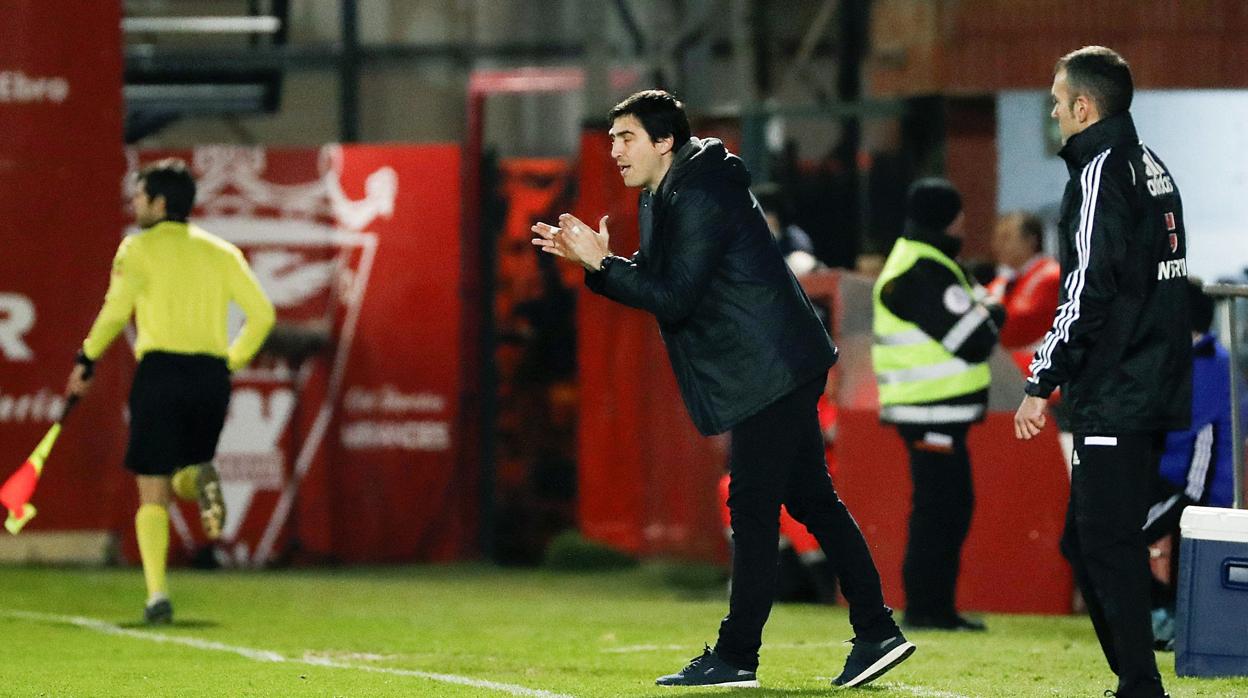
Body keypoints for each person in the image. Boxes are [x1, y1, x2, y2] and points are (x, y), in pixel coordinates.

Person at [531, 90, 914, 689]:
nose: (615, 151)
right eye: (611, 141)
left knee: (753, 508)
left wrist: (603, 268)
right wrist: (603, 263)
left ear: (665, 142)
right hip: (770, 365)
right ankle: (875, 631)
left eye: (626, 138)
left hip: (771, 368)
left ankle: (739, 656)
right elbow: (669, 282)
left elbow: (675, 296)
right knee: (811, 500)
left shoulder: (701, 190)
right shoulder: (672, 190)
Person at [1014, 46, 1191, 698]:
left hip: (1118, 391)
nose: (1056, 113)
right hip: (1150, 383)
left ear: (1084, 106)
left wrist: (1042, 378)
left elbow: (1085, 292)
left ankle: (1139, 685)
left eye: (1059, 102)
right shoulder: (1151, 167)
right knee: (1087, 543)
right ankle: (1136, 680)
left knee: (1105, 545)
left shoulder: (1098, 175)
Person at [66, 159, 276, 624]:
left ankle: (157, 594)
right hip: (210, 379)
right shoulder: (222, 252)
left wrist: (86, 359)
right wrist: (230, 362)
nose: (135, 203)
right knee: (189, 470)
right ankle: (199, 478)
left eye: (140, 196)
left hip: (161, 374)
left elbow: (115, 312)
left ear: (160, 203)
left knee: (152, 490)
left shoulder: (137, 250)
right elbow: (262, 315)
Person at [872, 178, 1002, 632]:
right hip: (930, 413)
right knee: (939, 508)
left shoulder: (927, 262)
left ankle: (934, 607)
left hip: (934, 412)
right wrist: (989, 311)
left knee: (946, 505)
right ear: (948, 217)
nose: (965, 224)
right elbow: (975, 340)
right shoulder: (923, 269)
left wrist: (983, 310)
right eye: (960, 215)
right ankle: (928, 609)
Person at [1143, 279, 1246, 649]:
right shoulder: (1204, 362)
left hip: (1192, 490)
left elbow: (1172, 435)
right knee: (1101, 538)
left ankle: (1162, 617)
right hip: (1181, 483)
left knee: (1114, 540)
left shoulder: (1207, 369)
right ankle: (1162, 614)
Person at [987, 212, 1061, 376]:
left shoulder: (1051, 277)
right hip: (1011, 376)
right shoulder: (1002, 282)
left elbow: (1015, 330)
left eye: (1006, 237)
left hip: (1040, 380)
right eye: (997, 238)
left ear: (1031, 240)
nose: (998, 244)